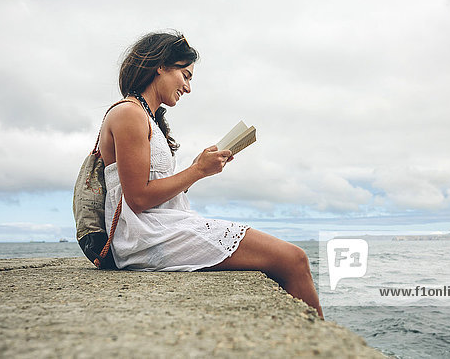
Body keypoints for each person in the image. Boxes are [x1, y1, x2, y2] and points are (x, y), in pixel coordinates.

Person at [98, 31, 323, 318]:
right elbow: (139, 198)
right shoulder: (129, 114)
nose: (188, 88)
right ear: (161, 66)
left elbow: (150, 191)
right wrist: (196, 171)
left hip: (158, 230)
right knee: (294, 259)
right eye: (186, 75)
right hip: (146, 238)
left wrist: (198, 171)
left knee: (290, 260)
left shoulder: (145, 116)